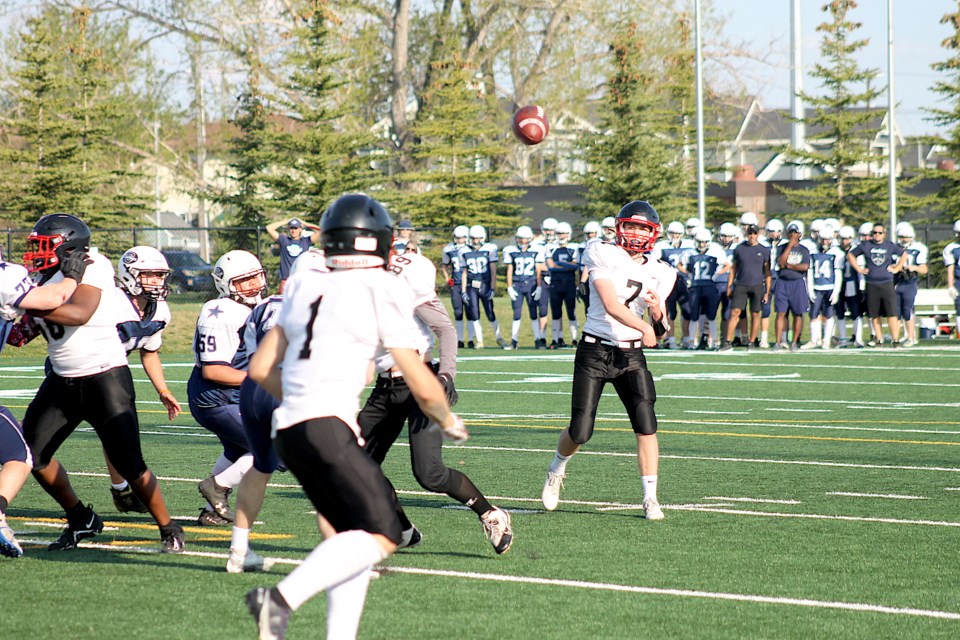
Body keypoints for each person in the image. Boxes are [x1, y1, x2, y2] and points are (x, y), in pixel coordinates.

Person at [245, 193, 468, 640]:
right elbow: (421, 380)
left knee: (348, 535)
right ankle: (280, 599)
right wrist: (447, 420)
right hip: (328, 427)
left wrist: (306, 396)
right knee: (383, 535)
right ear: (381, 242)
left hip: (290, 428)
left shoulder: (306, 282)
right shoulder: (382, 286)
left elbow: (260, 368)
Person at [18, 214, 185, 553]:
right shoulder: (39, 277)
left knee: (130, 465)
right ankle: (80, 517)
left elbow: (80, 312)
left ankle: (169, 528)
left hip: (104, 377)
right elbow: (23, 333)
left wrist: (23, 304)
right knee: (30, 456)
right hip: (62, 380)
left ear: (69, 245)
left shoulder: (93, 265)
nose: (37, 252)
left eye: (44, 245)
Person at [359, 249, 513, 554]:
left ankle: (490, 513)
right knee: (355, 462)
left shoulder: (404, 273)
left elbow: (444, 328)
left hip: (418, 380)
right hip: (384, 386)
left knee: (429, 474)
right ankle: (401, 530)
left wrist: (446, 375)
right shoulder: (352, 282)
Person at [540, 201, 675, 521]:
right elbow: (611, 304)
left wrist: (656, 314)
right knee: (581, 430)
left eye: (643, 227)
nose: (636, 232)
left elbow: (663, 330)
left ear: (653, 233)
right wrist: (644, 326)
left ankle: (650, 497)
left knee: (646, 424)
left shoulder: (661, 271)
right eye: (631, 225)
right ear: (618, 226)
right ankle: (557, 468)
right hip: (595, 350)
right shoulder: (600, 251)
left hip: (630, 355)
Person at [227, 249, 328, 574]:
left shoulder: (265, 306)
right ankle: (339, 559)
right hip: (285, 387)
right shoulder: (316, 306)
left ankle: (239, 550)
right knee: (329, 474)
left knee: (262, 466)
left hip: (252, 392)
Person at [0, 244, 92, 557]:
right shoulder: (6, 277)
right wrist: (71, 277)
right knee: (20, 455)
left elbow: (17, 335)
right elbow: (54, 299)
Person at [188, 250, 268, 525]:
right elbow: (214, 370)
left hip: (233, 393)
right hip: (216, 396)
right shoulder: (220, 312)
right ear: (227, 284)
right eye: (244, 280)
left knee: (237, 449)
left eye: (256, 277)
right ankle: (217, 487)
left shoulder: (252, 308)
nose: (253, 285)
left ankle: (212, 512)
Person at [105, 246, 182, 513]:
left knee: (116, 432)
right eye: (149, 275)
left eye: (160, 275)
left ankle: (121, 492)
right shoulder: (111, 302)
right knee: (41, 436)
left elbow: (149, 353)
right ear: (129, 274)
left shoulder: (159, 310)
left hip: (108, 374)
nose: (156, 281)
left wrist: (163, 390)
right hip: (78, 370)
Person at [847, 223, 908, 347]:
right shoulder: (866, 245)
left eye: (880, 233)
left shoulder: (889, 245)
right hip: (872, 283)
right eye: (874, 232)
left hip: (887, 282)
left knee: (892, 313)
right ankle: (879, 339)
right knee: (874, 314)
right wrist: (859, 269)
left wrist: (897, 268)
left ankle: (895, 339)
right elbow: (851, 255)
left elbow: (903, 254)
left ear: (884, 234)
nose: (877, 235)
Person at [721, 224, 771, 350]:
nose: (752, 236)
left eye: (754, 233)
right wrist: (729, 285)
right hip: (741, 284)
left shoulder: (764, 250)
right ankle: (727, 341)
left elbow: (767, 272)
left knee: (755, 314)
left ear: (758, 234)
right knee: (734, 312)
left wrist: (767, 291)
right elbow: (733, 268)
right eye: (750, 233)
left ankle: (752, 341)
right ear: (746, 234)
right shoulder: (739, 249)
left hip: (757, 285)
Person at [680, 228, 729, 350]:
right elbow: (679, 264)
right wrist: (688, 273)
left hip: (709, 286)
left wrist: (717, 275)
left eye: (704, 242)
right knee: (694, 316)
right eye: (700, 242)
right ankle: (692, 342)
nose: (702, 245)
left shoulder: (715, 251)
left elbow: (727, 265)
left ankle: (714, 341)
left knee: (711, 316)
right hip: (695, 287)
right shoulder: (689, 252)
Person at [461, 225, 507, 349]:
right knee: (474, 312)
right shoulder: (464, 250)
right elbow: (464, 272)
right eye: (473, 238)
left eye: (477, 238)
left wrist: (493, 287)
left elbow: (493, 270)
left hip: (485, 284)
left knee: (490, 312)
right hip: (471, 286)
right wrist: (463, 290)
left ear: (483, 238)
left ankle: (499, 337)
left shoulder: (490, 248)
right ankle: (480, 340)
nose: (475, 241)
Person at [651, 221, 694, 349]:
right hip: (667, 281)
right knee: (670, 312)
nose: (675, 236)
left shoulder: (689, 245)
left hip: (684, 281)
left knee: (687, 310)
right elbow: (654, 263)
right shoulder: (661, 246)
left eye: (677, 233)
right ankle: (670, 339)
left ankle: (687, 338)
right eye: (672, 233)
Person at [503, 225, 545, 349]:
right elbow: (510, 269)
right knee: (516, 313)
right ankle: (514, 341)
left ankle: (538, 340)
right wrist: (509, 286)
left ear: (530, 239)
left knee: (533, 312)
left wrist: (539, 286)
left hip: (531, 284)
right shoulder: (511, 251)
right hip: (517, 285)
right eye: (520, 238)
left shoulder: (536, 250)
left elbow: (538, 270)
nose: (522, 241)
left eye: (525, 239)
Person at [802, 224, 844, 349]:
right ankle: (814, 340)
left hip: (829, 287)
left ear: (832, 239)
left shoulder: (837, 253)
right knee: (813, 314)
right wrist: (810, 289)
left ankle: (826, 340)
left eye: (827, 239)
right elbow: (809, 271)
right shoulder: (813, 252)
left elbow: (838, 273)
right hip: (817, 287)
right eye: (823, 239)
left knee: (829, 314)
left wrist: (836, 291)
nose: (825, 242)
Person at [774, 221, 811, 351]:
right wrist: (789, 245)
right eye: (790, 232)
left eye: (795, 233)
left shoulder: (804, 250)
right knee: (781, 313)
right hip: (783, 282)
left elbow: (804, 266)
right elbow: (780, 262)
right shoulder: (781, 247)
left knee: (798, 313)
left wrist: (790, 266)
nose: (793, 235)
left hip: (797, 282)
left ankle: (795, 341)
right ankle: (778, 342)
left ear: (800, 234)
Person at [545, 221, 580, 348]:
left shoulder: (573, 247)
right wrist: (567, 265)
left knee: (571, 312)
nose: (561, 236)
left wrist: (560, 264)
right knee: (555, 312)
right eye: (559, 233)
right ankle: (556, 339)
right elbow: (551, 266)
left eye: (564, 233)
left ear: (569, 234)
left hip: (569, 283)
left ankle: (574, 339)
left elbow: (575, 266)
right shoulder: (550, 247)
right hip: (555, 283)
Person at [893, 222, 928, 347]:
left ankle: (911, 337)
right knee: (895, 311)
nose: (905, 239)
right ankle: (896, 338)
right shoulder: (894, 248)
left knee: (907, 310)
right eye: (902, 237)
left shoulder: (918, 249)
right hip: (896, 283)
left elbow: (924, 269)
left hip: (909, 283)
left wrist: (914, 268)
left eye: (907, 237)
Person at [266, 217, 320, 293]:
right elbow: (269, 228)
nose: (293, 230)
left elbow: (320, 231)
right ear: (289, 229)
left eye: (296, 228)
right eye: (291, 228)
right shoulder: (284, 240)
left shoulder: (306, 241)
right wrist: (284, 222)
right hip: (286, 280)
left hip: (302, 280)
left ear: (300, 229)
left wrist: (305, 223)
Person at [441, 225, 474, 347]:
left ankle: (471, 339)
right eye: (457, 237)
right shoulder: (448, 249)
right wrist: (447, 278)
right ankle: (460, 340)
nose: (459, 240)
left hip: (469, 284)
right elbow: (444, 265)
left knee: (470, 312)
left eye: (462, 237)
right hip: (456, 284)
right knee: (458, 312)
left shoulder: (470, 249)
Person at [836, 225, 866, 347]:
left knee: (856, 311)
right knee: (839, 312)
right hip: (838, 284)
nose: (845, 241)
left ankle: (858, 338)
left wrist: (862, 286)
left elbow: (860, 270)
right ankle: (843, 338)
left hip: (852, 283)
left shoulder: (857, 251)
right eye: (843, 238)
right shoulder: (835, 250)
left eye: (847, 239)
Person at [944, 220, 960, 336]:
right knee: (959, 309)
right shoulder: (951, 248)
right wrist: (950, 286)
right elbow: (950, 268)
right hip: (959, 281)